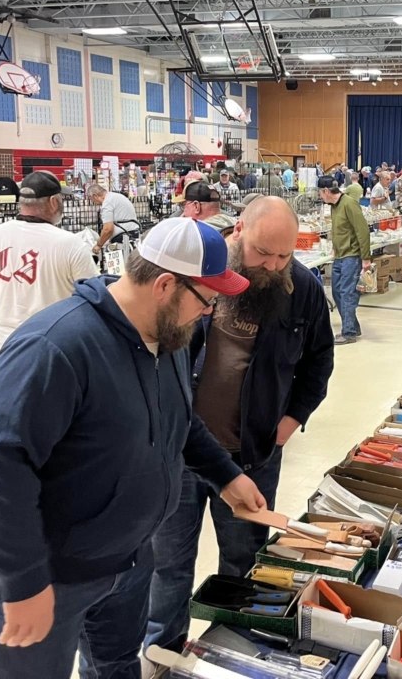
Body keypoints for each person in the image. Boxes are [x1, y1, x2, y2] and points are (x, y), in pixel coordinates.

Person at [0, 217, 265, 679]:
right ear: (165, 285)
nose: (208, 312)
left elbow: (178, 421)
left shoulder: (167, 338)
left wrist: (226, 475)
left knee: (116, 667)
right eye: (206, 299)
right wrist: (23, 583)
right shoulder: (56, 345)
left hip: (126, 559)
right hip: (48, 571)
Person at [146, 197, 334, 652]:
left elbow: (319, 362)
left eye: (284, 255)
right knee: (168, 562)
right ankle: (162, 650)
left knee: (243, 560)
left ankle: (233, 648)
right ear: (239, 231)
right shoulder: (200, 276)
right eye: (262, 252)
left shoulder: (303, 290)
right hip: (181, 452)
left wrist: (289, 422)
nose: (272, 265)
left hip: (252, 455)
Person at [0, 172, 99, 351]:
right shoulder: (70, 243)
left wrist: (17, 291)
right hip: (55, 344)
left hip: (6, 344)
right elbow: (92, 293)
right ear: (53, 202)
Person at [319, 176, 370, 344]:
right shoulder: (334, 206)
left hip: (351, 256)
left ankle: (348, 333)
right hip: (340, 256)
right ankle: (353, 326)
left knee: (347, 294)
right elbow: (339, 229)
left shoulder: (349, 204)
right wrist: (335, 246)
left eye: (320, 193)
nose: (320, 196)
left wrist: (366, 258)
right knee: (336, 291)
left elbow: (362, 231)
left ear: (326, 191)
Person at [88, 184, 141, 254]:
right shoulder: (117, 196)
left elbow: (108, 229)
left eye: (92, 200)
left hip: (121, 239)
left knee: (108, 252)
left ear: (95, 196)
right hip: (135, 235)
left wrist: (99, 245)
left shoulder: (107, 203)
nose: (95, 203)